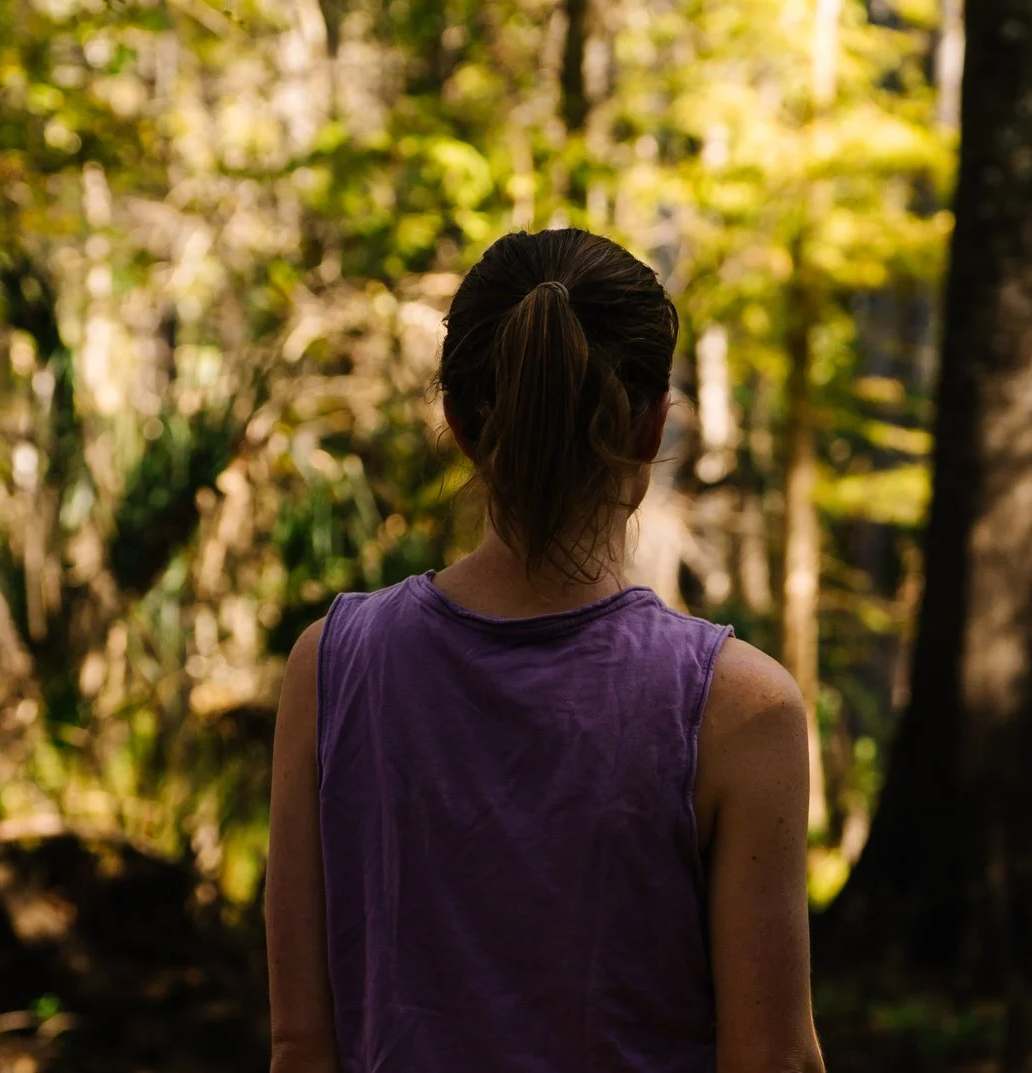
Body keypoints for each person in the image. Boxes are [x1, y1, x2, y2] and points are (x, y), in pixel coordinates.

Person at [263, 228, 827, 1073]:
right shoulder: (740, 706)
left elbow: (301, 1046)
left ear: (456, 421)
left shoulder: (332, 666)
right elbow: (771, 1060)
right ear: (651, 429)